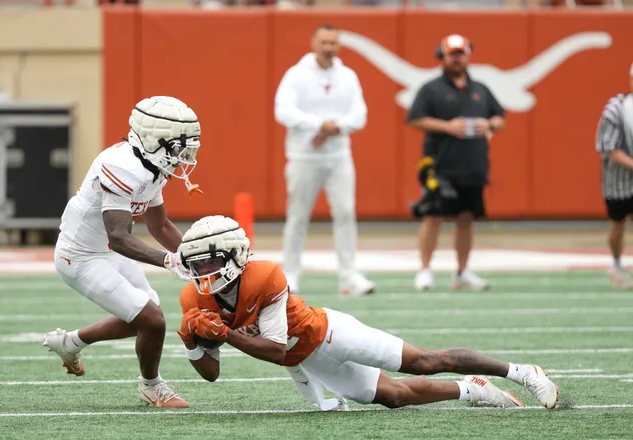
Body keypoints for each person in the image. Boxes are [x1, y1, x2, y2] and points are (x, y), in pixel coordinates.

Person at [174, 215, 559, 412]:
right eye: (197, 265)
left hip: (328, 333)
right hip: (303, 359)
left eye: (211, 262)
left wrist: (224, 334)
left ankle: (523, 372)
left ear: (235, 256)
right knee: (394, 398)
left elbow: (273, 348)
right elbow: (211, 375)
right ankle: (473, 390)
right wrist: (193, 341)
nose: (203, 273)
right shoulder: (193, 301)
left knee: (425, 361)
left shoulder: (265, 275)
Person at [42, 96, 203, 408]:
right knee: (153, 319)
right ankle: (151, 386)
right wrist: (168, 261)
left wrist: (196, 258)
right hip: (80, 256)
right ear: (155, 141)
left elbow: (160, 225)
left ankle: (70, 342)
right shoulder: (121, 166)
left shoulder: (152, 164)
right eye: (178, 147)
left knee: (145, 315)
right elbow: (118, 237)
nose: (184, 156)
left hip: (106, 249)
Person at [274, 23, 375, 297]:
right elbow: (283, 111)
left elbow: (360, 114)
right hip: (303, 156)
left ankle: (349, 275)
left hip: (339, 156)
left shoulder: (348, 76)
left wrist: (335, 127)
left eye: (333, 43)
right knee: (298, 216)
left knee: (345, 213)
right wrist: (319, 124)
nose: (328, 48)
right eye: (324, 43)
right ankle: (291, 273)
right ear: (314, 43)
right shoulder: (296, 75)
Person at [406, 34, 505, 292]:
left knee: (466, 218)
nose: (457, 59)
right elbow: (415, 119)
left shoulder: (480, 88)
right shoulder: (431, 89)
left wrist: (490, 124)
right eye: (452, 54)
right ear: (442, 55)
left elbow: (499, 117)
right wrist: (448, 127)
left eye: (461, 53)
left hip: (473, 163)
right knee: (433, 216)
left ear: (468, 55)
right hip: (441, 163)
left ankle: (462, 271)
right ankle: (425, 269)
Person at [595, 62, 633, 288]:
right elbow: (608, 147)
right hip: (619, 180)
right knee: (618, 222)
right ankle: (617, 263)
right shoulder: (616, 108)